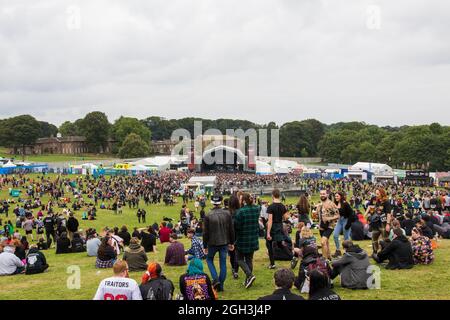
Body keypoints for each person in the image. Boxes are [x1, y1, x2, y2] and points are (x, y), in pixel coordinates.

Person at [203, 194, 235, 292]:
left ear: (212, 202)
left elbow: (205, 232)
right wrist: (231, 242)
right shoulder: (227, 214)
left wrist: (205, 245)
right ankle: (219, 284)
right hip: (224, 242)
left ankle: (216, 280)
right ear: (221, 202)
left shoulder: (208, 215)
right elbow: (231, 230)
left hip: (212, 242)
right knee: (223, 264)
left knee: (209, 260)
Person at [234, 193, 260, 289]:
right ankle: (247, 280)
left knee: (239, 259)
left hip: (242, 239)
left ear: (244, 201)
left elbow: (237, 226)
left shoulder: (241, 212)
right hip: (252, 238)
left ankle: (249, 275)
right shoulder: (257, 209)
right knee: (249, 259)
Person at [266, 189, 291, 269]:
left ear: (272, 195)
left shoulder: (271, 206)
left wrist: (268, 233)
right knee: (280, 244)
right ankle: (292, 256)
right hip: (280, 225)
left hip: (273, 226)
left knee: (269, 244)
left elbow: (270, 221)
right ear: (279, 196)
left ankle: (272, 263)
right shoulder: (282, 206)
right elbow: (286, 217)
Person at [315, 189, 339, 260]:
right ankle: (329, 257)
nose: (322, 195)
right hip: (321, 226)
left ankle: (324, 260)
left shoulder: (331, 204)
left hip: (329, 226)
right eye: (321, 194)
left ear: (327, 195)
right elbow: (318, 216)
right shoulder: (319, 204)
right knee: (326, 243)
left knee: (322, 242)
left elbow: (338, 215)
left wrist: (329, 218)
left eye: (324, 194)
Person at [332, 192, 354, 258]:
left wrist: (348, 223)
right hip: (339, 221)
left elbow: (351, 213)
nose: (336, 197)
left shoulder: (345, 203)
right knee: (335, 235)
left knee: (346, 237)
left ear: (341, 196)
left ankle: (348, 251)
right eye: (335, 196)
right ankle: (338, 251)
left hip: (346, 220)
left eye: (337, 196)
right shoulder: (335, 204)